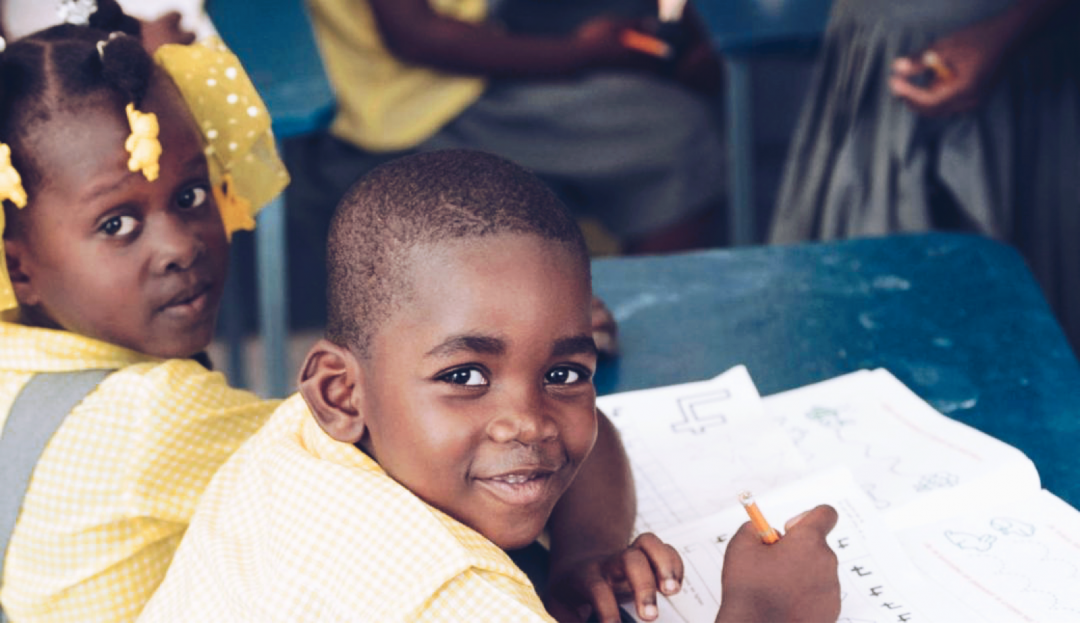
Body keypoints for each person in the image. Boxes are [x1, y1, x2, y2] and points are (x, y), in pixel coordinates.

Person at [138, 149, 842, 623]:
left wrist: (586, 554)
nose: (528, 421)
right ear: (340, 392)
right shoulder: (455, 597)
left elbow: (592, 434)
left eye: (563, 373)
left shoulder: (303, 438)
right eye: (466, 376)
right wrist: (768, 612)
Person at [0, 15, 289, 622]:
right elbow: (368, 479)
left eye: (191, 196)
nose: (180, 247)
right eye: (118, 224)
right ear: (19, 268)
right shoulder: (156, 410)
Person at [769, 0, 1080, 350]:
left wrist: (1009, 31)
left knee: (1020, 333)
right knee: (852, 321)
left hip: (1019, 74)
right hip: (876, 58)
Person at [302, 0, 726, 255]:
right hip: (417, 106)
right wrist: (581, 53)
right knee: (677, 136)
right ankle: (649, 331)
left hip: (457, 68)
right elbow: (418, 36)